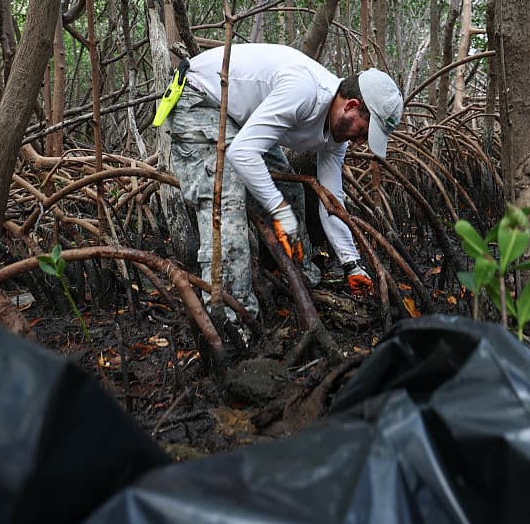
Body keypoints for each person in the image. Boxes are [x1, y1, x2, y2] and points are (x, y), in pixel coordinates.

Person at [167, 43, 403, 335]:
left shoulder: (336, 137)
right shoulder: (305, 92)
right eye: (364, 132)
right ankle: (233, 324)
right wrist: (277, 210)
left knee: (290, 194)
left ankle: (297, 279)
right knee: (227, 207)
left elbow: (332, 200)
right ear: (352, 106)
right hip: (200, 98)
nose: (360, 143)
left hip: (240, 119)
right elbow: (242, 153)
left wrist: (351, 263)